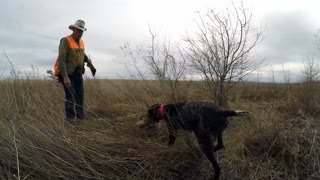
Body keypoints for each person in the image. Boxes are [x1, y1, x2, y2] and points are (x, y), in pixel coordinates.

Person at [58, 19, 92, 124]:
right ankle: (70, 121)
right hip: (68, 75)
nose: (80, 33)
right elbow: (61, 59)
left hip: (78, 74)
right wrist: (65, 77)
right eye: (78, 30)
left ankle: (80, 118)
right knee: (70, 98)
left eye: (82, 31)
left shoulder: (81, 42)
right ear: (73, 29)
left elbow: (82, 54)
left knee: (80, 97)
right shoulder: (65, 40)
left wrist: (88, 60)